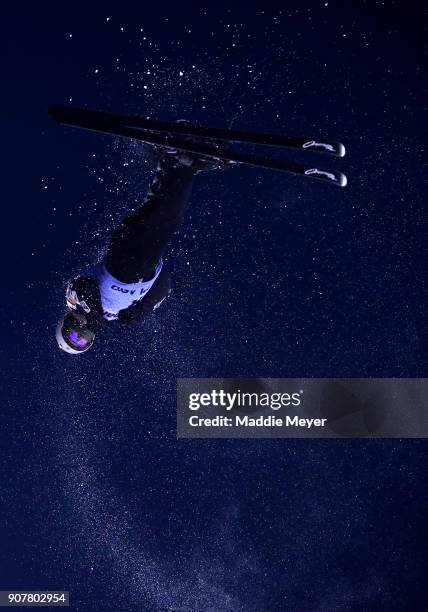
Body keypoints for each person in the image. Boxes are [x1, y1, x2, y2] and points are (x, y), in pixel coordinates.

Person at [56, 144, 228, 355]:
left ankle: (181, 163)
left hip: (121, 262)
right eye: (84, 341)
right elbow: (164, 286)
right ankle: (174, 164)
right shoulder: (118, 316)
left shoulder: (75, 302)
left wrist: (94, 315)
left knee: (160, 220)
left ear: (67, 324)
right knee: (160, 216)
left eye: (74, 334)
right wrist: (142, 310)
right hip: (145, 270)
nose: (82, 334)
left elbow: (85, 286)